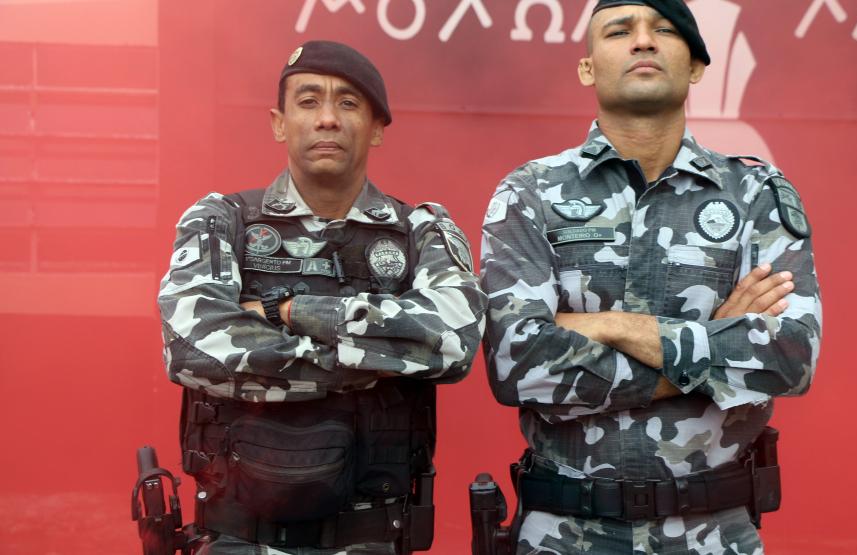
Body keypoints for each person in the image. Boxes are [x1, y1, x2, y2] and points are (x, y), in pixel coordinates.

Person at [479, 1, 822, 553]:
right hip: (564, 535)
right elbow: (517, 365)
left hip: (715, 534)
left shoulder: (754, 193)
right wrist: (713, 341)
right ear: (588, 67)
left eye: (663, 30)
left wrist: (605, 326)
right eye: (619, 31)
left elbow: (789, 356)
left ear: (695, 66)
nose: (643, 41)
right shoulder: (530, 194)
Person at [157, 40, 486, 555]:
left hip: (374, 536)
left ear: (377, 128)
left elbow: (454, 344)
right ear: (279, 123)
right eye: (308, 101)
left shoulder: (422, 230)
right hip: (238, 537)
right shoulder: (221, 220)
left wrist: (287, 313)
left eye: (349, 103)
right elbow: (192, 347)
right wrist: (373, 360)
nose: (328, 118)